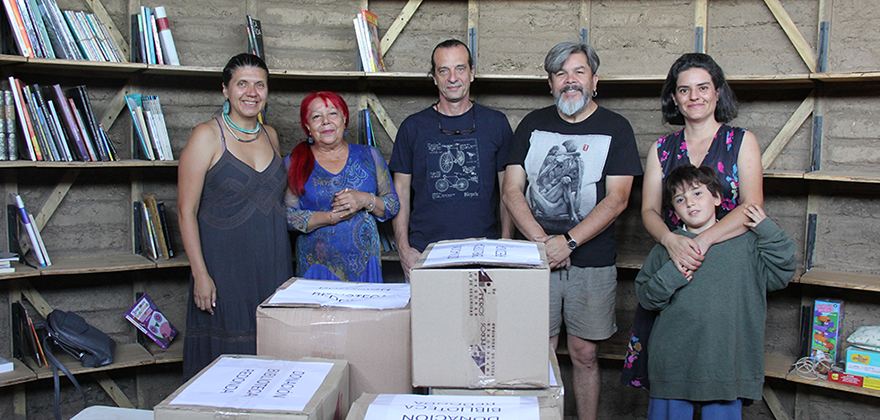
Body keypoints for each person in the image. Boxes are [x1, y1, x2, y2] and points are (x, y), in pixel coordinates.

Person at [502, 41, 642, 420]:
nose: (570, 81)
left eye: (579, 72)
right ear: (550, 83)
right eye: (561, 73)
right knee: (538, 352)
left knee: (585, 354)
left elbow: (617, 199)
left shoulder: (616, 128)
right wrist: (541, 242)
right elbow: (512, 188)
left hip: (591, 262)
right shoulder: (532, 124)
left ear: (595, 81)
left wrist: (569, 242)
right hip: (535, 259)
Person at [622, 52, 764, 388]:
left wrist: (702, 241)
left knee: (720, 367)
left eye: (703, 88)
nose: (694, 96)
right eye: (684, 90)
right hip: (676, 263)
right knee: (671, 363)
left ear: (718, 92)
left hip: (727, 266)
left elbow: (752, 207)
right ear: (674, 97)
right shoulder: (661, 148)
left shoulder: (743, 142)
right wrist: (672, 241)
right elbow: (649, 211)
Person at [635, 164, 796, 420]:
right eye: (680, 199)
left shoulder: (747, 243)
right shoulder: (666, 248)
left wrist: (765, 227)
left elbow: (782, 273)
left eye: (697, 193)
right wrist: (673, 275)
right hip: (673, 364)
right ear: (674, 211)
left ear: (718, 198)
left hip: (726, 364)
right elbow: (646, 298)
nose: (689, 203)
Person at [178, 53, 293, 379]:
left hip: (273, 265)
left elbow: (279, 202)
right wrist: (201, 274)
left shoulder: (270, 135)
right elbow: (186, 211)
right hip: (224, 270)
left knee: (271, 360)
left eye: (260, 84)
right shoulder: (207, 135)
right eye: (242, 84)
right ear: (225, 90)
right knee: (225, 366)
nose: (251, 92)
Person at [389, 39, 513, 277]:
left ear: (472, 73)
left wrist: (504, 247)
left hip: (483, 252)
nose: (452, 78)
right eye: (443, 70)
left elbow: (508, 191)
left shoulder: (496, 123)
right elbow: (400, 192)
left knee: (481, 315)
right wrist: (404, 250)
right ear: (434, 78)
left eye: (460, 68)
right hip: (425, 253)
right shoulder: (413, 127)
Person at [285, 91, 399, 283]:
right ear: (308, 127)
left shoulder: (370, 156)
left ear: (344, 119)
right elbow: (286, 216)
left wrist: (364, 199)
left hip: (365, 267)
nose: (326, 122)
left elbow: (393, 205)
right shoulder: (295, 161)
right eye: (316, 117)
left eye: (332, 113)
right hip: (317, 268)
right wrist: (329, 218)